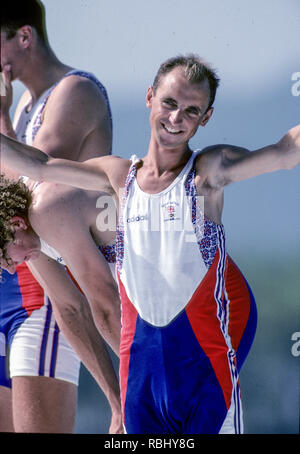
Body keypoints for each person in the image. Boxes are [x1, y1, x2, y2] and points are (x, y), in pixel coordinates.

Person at [1, 54, 299, 434]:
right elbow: (38, 164)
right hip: (143, 376)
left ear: (205, 118)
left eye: (191, 111)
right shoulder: (118, 176)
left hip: (204, 365)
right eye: (169, 103)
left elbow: (284, 154)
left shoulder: (208, 172)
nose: (176, 119)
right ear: (149, 98)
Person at [0, 0, 119, 433]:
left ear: (24, 37)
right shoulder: (25, 108)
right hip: (20, 279)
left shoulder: (74, 91)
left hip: (45, 296)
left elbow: (24, 183)